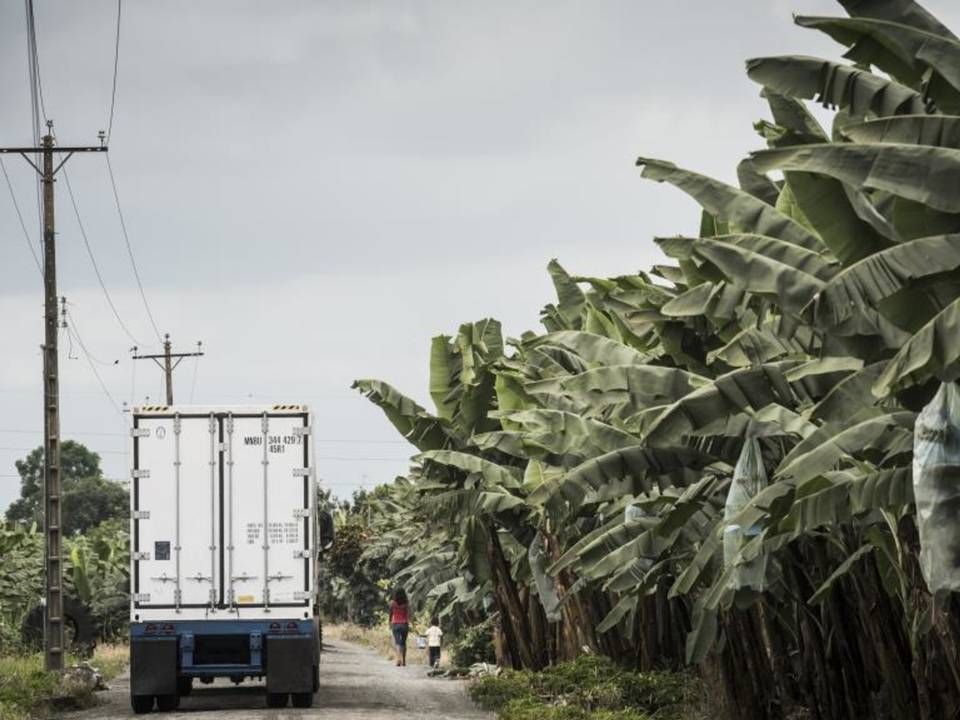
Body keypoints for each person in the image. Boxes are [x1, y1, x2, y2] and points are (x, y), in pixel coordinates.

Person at [389, 588, 410, 666]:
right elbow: (408, 614)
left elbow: (391, 614)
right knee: (403, 643)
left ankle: (398, 659)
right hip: (404, 624)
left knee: (397, 642)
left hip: (396, 624)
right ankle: (404, 661)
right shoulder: (406, 603)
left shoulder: (392, 603)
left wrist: (390, 622)